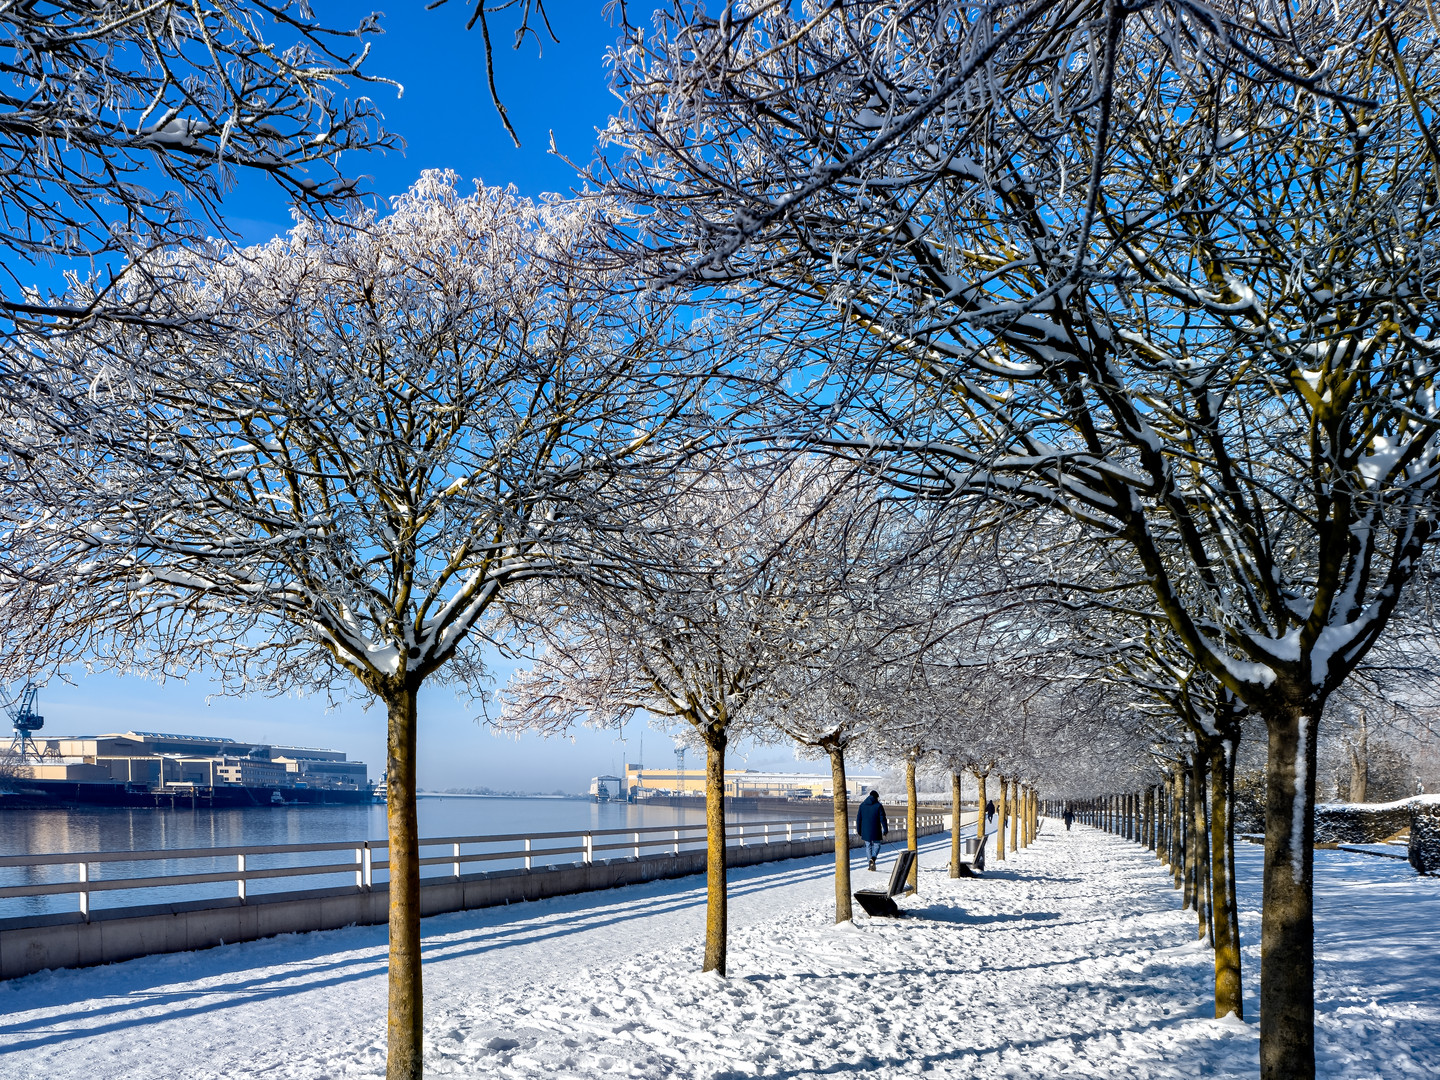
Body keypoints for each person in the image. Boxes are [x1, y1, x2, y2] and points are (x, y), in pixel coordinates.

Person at [855, 789, 889, 871]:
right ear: (876, 797)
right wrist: (885, 830)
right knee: (877, 845)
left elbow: (859, 819)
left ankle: (870, 864)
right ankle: (873, 858)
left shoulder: (862, 805)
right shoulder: (878, 806)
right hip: (876, 829)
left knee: (868, 846)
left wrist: (859, 830)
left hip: (865, 830)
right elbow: (883, 819)